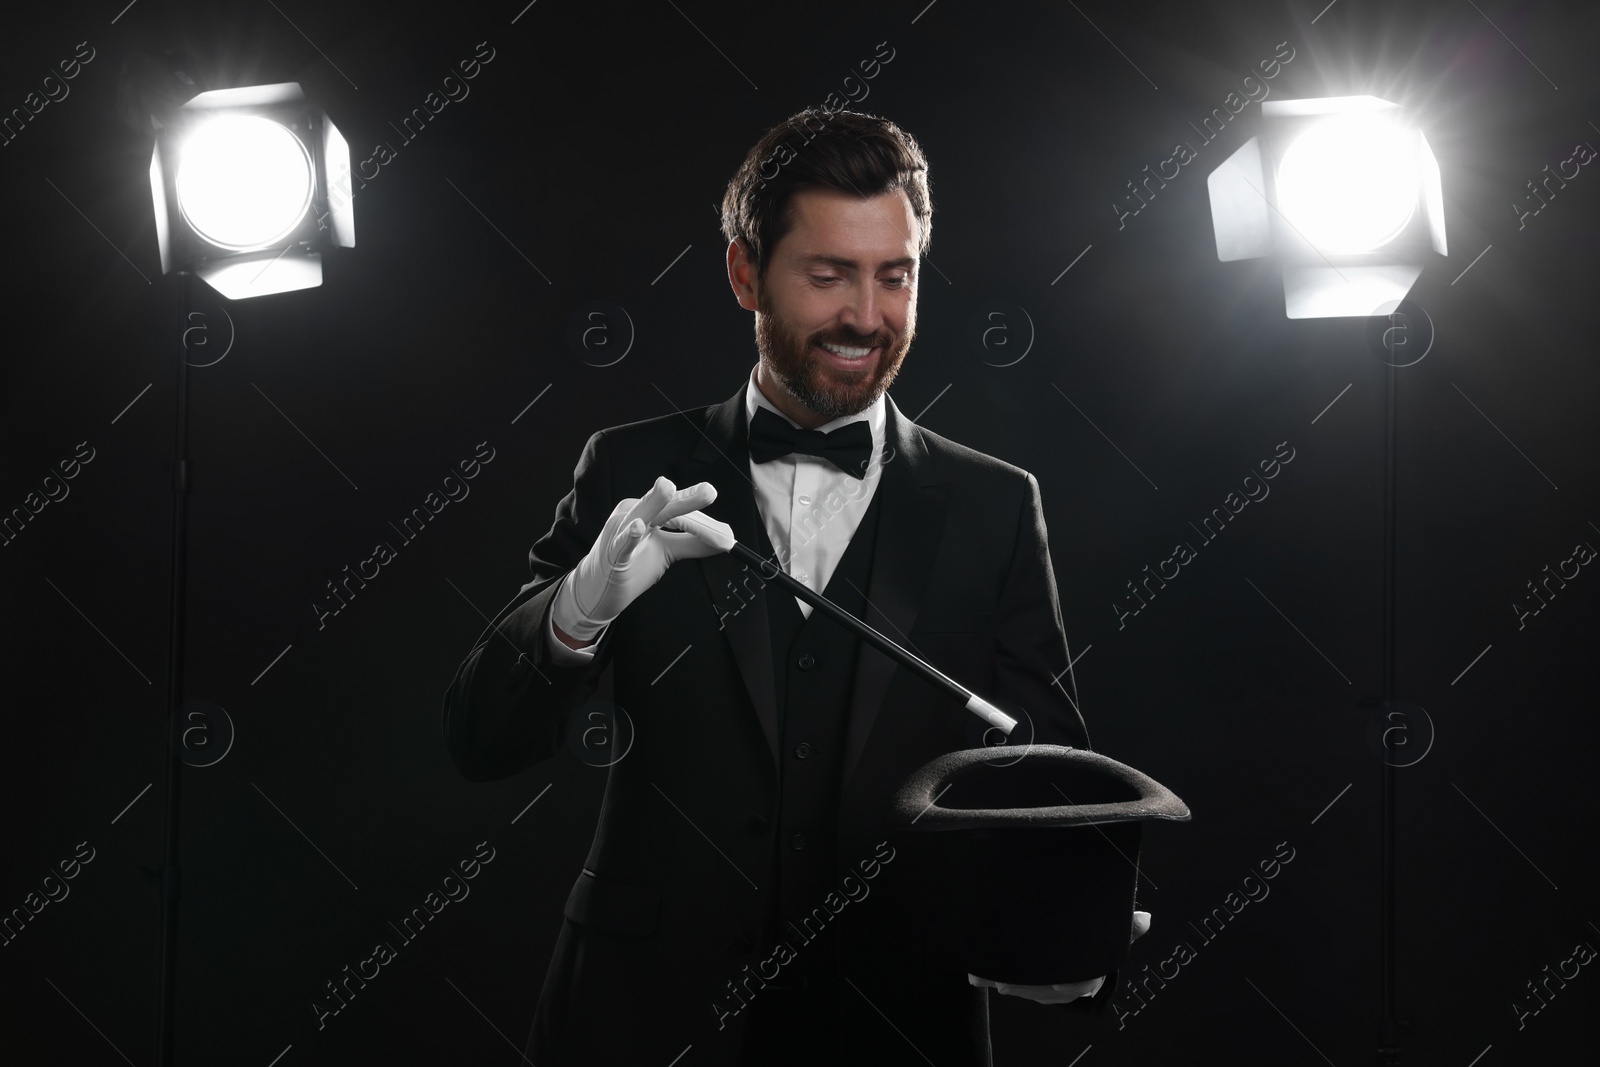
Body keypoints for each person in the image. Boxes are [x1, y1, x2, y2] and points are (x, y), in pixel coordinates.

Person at [442, 107, 1118, 1066]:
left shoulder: (996, 504)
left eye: (897, 275)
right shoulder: (627, 468)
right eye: (829, 274)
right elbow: (481, 737)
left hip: (897, 1023)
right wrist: (577, 608)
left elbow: (1050, 776)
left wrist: (1070, 936)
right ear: (744, 273)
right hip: (643, 1020)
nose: (867, 315)